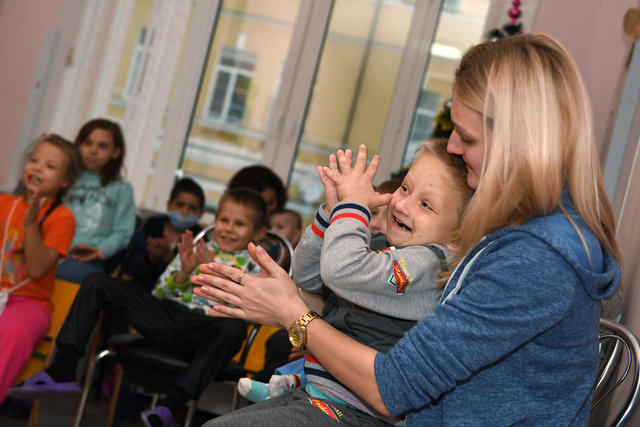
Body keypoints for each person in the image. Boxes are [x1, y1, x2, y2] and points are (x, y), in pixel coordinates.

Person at [192, 32, 623, 425]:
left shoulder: (534, 259)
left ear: (519, 143)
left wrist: (294, 315)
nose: (452, 146)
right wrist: (289, 300)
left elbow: (391, 390)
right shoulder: (526, 238)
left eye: (467, 138)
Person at [237, 139, 472, 408]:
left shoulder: (429, 264)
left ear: (457, 235)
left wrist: (353, 206)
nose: (402, 205)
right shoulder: (386, 245)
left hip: (353, 409)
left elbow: (342, 270)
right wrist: (330, 214)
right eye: (405, 189)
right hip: (324, 393)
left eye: (426, 205)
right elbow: (309, 278)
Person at [9, 187, 268, 427]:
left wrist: (216, 276)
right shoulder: (196, 248)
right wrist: (183, 274)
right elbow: (158, 293)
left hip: (204, 331)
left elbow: (246, 310)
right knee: (98, 282)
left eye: (239, 224)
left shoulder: (256, 265)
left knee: (234, 329)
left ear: (258, 233)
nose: (228, 229)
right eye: (224, 220)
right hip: (167, 317)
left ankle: (170, 406)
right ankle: (63, 367)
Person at [0, 134, 80, 406]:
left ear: (65, 180)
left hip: (29, 303)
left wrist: (32, 224)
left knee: (13, 333)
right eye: (34, 160)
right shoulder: (4, 204)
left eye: (49, 166)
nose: (37, 168)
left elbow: (37, 269)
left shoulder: (62, 217)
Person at [56, 118, 136, 284]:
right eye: (87, 143)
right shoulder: (63, 177)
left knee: (68, 275)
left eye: (102, 146)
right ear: (78, 145)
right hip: (52, 249)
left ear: (115, 152)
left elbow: (123, 232)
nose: (93, 151)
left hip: (86, 258)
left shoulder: (122, 188)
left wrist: (101, 250)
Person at [114, 177, 206, 291]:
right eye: (180, 205)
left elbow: (191, 285)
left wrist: (168, 258)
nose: (185, 212)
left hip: (169, 297)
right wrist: (151, 258)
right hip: (135, 288)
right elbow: (129, 267)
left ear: (201, 212)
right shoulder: (152, 225)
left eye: (192, 208)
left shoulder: (201, 240)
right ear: (169, 205)